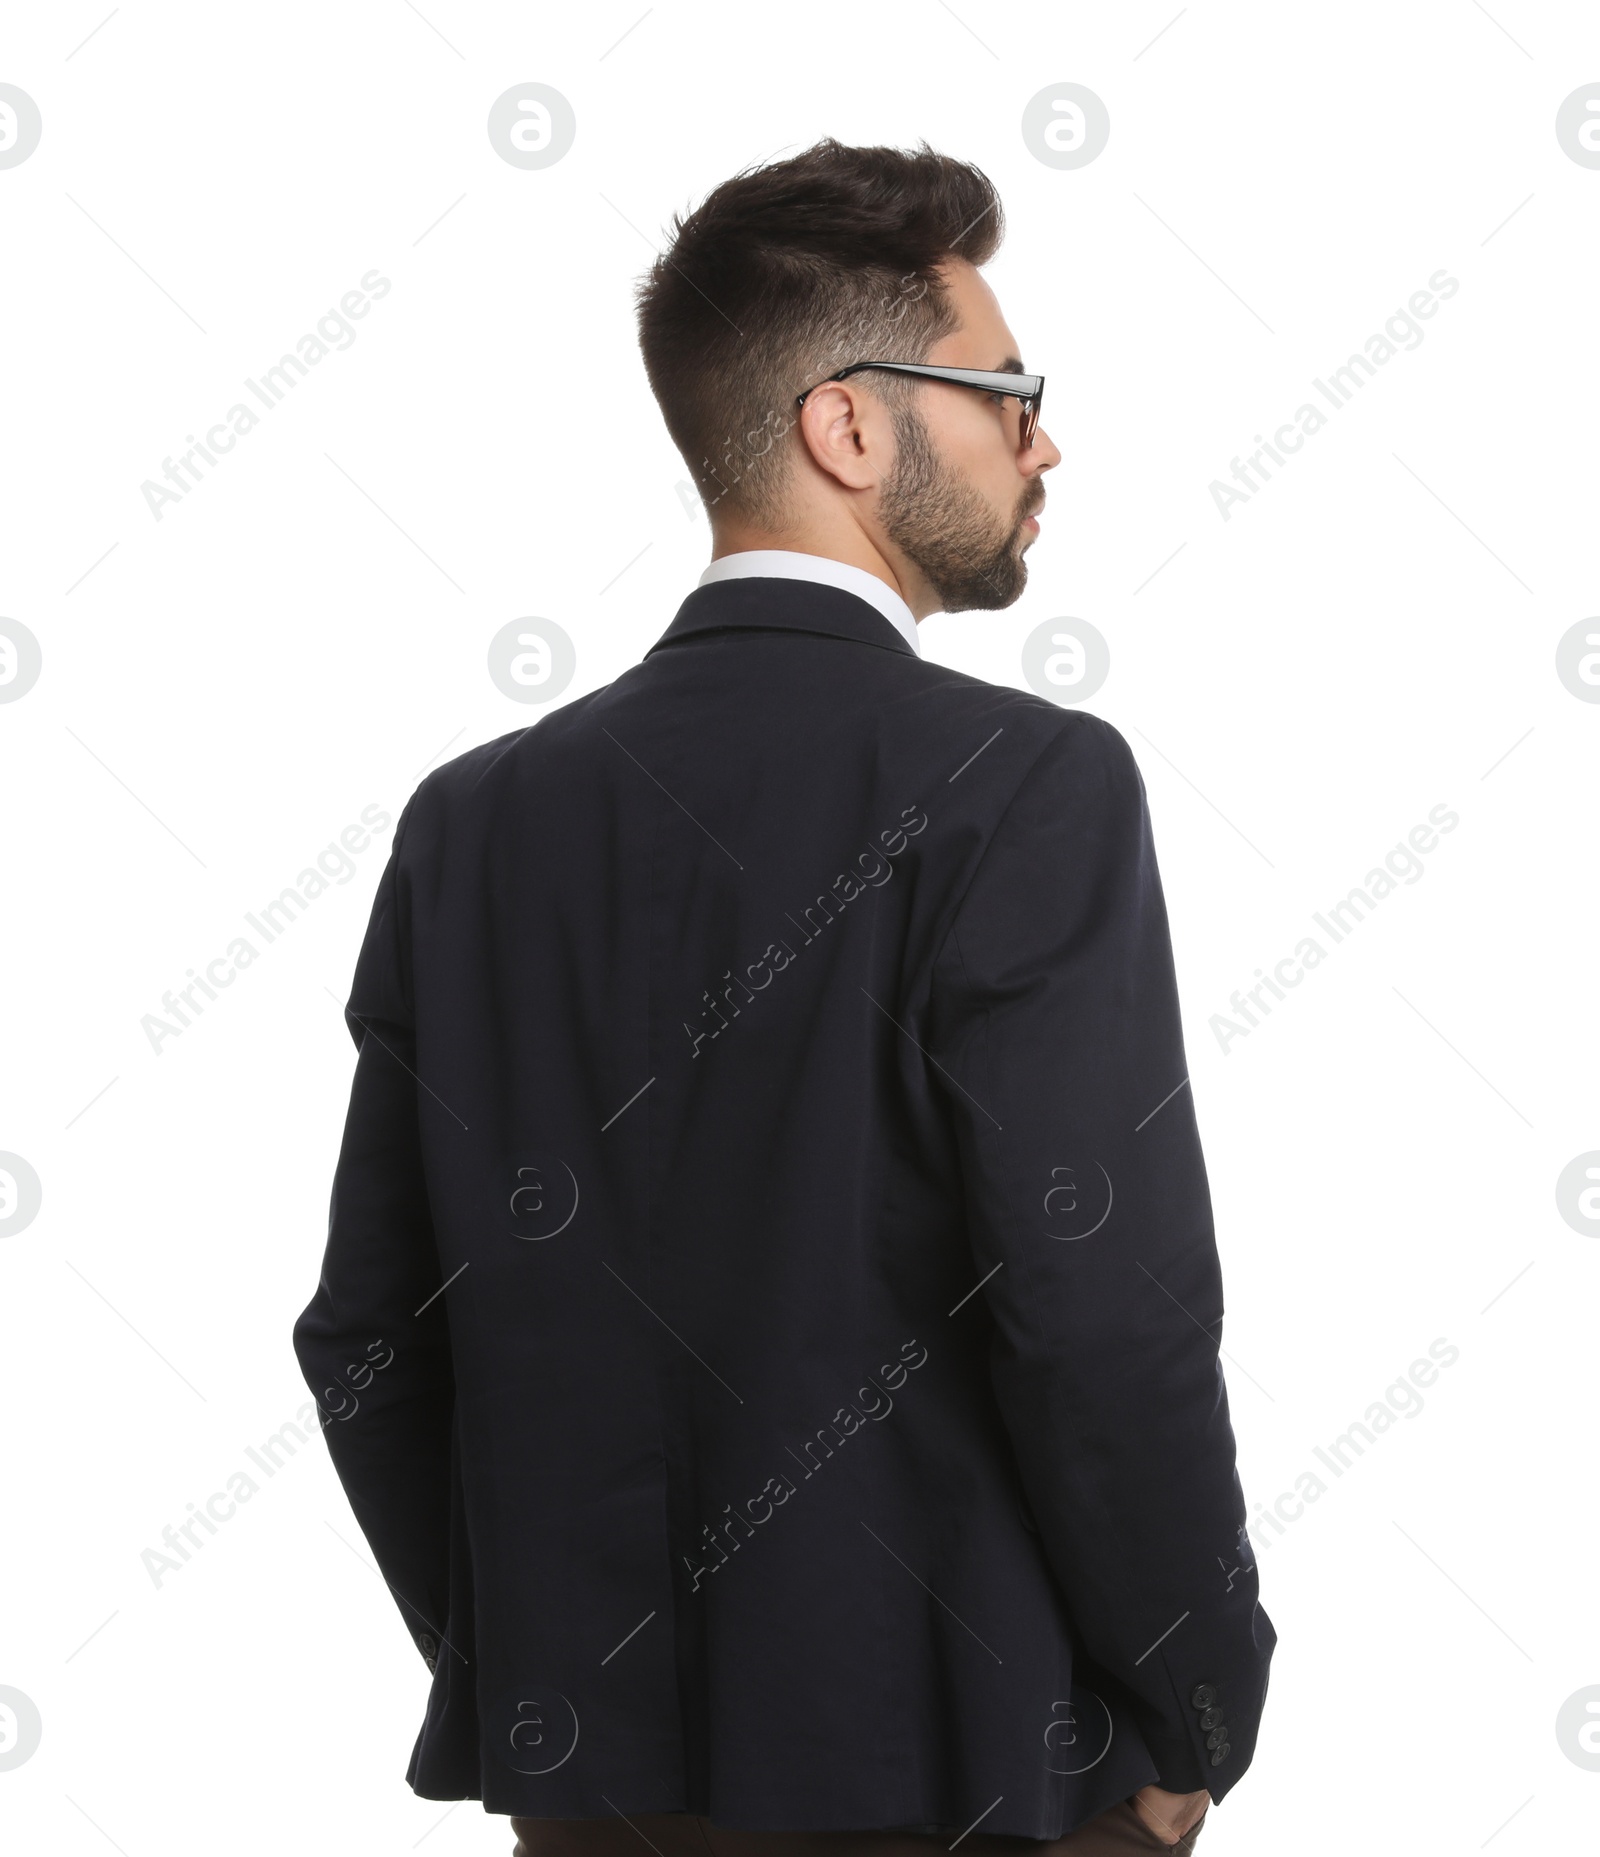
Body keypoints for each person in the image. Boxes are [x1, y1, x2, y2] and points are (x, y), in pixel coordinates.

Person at [293, 138, 1274, 1857]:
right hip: (984, 1788)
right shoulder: (1021, 785)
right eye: (1005, 392)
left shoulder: (475, 823)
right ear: (848, 424)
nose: (1043, 442)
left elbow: (373, 1335)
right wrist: (1196, 1717)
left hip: (592, 1797)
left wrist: (545, 1683)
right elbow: (1100, 1310)